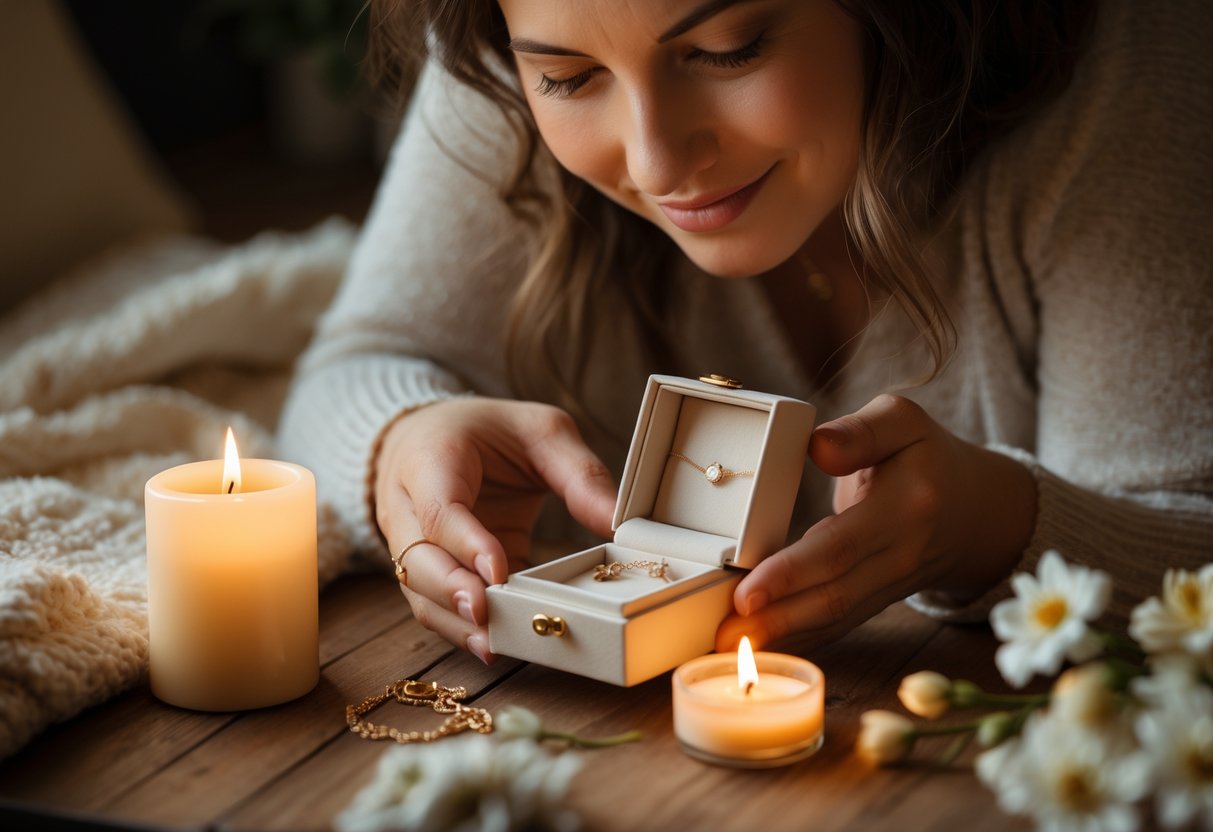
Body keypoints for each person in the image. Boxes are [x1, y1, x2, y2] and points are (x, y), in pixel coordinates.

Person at [279, 0, 1212, 665]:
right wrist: (402, 442)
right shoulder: (504, 44)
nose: (657, 163)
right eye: (567, 79)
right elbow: (354, 370)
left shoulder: (1123, 63)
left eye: (726, 50)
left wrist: (994, 525)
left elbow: (1192, 551)